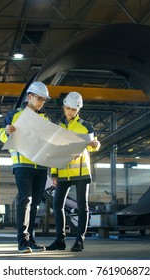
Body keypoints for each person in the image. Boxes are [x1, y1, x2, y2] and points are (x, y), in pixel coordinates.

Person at [0, 81, 52, 253]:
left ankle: (31, 239)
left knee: (35, 204)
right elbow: (2, 135)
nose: (42, 103)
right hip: (23, 164)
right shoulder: (14, 115)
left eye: (44, 100)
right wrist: (6, 131)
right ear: (29, 96)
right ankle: (22, 241)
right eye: (39, 99)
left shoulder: (45, 119)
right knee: (25, 200)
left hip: (41, 166)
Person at [46, 91, 100, 252]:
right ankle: (60, 240)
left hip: (81, 173)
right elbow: (55, 151)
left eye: (73, 109)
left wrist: (95, 145)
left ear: (78, 110)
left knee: (82, 206)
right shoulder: (58, 127)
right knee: (57, 205)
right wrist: (54, 173)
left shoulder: (85, 126)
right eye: (68, 108)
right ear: (63, 107)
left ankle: (79, 240)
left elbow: (96, 143)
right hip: (63, 172)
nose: (70, 112)